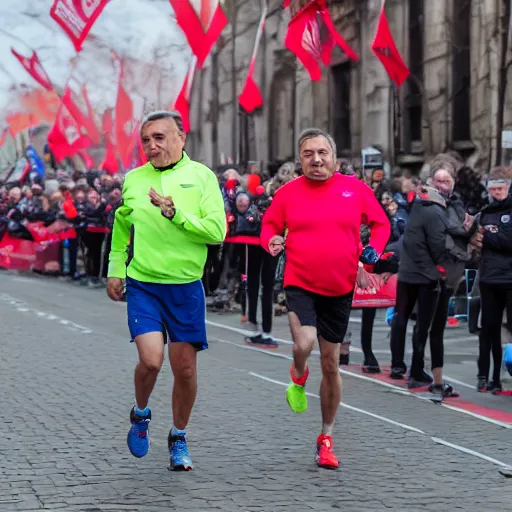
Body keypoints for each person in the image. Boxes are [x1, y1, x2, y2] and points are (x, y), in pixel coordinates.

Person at [260, 128, 390, 469]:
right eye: (308, 154)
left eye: (322, 153)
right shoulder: (288, 193)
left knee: (331, 364)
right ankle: (299, 373)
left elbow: (380, 224)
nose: (316, 159)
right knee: (303, 343)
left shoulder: (355, 189)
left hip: (340, 287)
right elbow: (269, 225)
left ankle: (326, 437)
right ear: (300, 158)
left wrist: (372, 251)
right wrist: (271, 241)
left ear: (333, 156)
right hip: (301, 282)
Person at [106, 110, 226, 470]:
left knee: (185, 371)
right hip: (143, 283)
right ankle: (141, 414)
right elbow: (121, 224)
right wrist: (115, 268)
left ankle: (178, 437)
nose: (151, 146)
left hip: (186, 286)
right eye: (146, 139)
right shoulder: (134, 179)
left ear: (180, 138)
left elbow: (216, 232)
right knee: (151, 360)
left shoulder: (201, 177)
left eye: (159, 137)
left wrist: (176, 214)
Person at [389, 185, 456, 395]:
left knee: (401, 319)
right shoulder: (434, 212)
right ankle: (416, 372)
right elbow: (437, 244)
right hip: (425, 276)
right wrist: (441, 268)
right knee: (424, 326)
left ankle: (399, 364)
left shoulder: (416, 209)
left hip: (408, 273)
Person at [470, 167, 512, 392]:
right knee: (489, 330)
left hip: (509, 278)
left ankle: (502, 374)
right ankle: (486, 375)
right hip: (488, 278)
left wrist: (489, 235)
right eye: (493, 188)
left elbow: (508, 241)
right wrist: (484, 236)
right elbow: (475, 240)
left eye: (500, 188)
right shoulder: (485, 213)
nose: (497, 192)